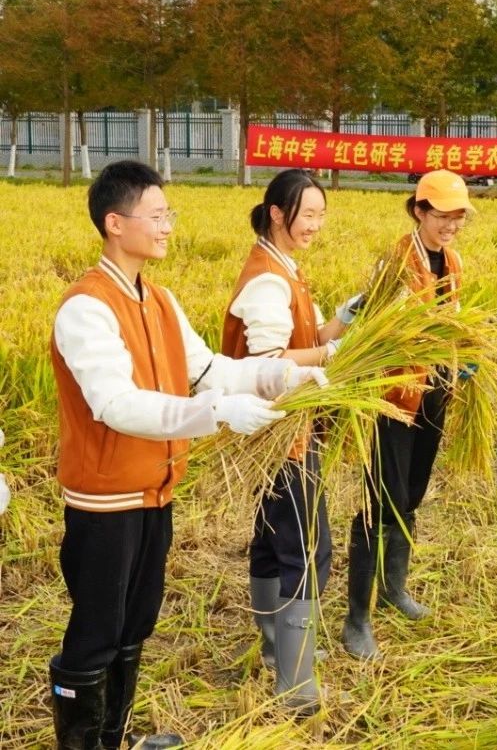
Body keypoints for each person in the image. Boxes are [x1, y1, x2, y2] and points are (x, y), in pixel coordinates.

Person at [49, 160, 318, 749]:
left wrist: (287, 377)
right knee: (96, 633)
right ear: (115, 223)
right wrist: (215, 414)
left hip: (155, 489)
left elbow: (209, 370)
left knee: (134, 626)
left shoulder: (160, 301)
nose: (169, 226)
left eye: (170, 214)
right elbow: (115, 404)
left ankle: (112, 739)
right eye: (158, 214)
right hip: (104, 500)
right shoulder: (87, 308)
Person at [222, 169, 358, 715]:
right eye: (308, 215)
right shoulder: (267, 281)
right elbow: (268, 360)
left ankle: (279, 650)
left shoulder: (284, 270)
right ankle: (297, 685)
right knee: (307, 547)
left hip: (282, 430)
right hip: (282, 436)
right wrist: (328, 358)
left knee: (273, 540)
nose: (316, 225)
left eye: (322, 215)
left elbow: (308, 339)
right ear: (277, 213)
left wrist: (346, 320)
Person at [342, 170, 472, 661]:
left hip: (434, 394)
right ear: (418, 211)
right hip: (394, 398)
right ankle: (357, 618)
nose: (451, 225)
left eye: (458, 216)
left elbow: (452, 322)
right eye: (442, 215)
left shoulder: (452, 261)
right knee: (381, 501)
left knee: (411, 495)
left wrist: (463, 354)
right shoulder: (395, 263)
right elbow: (374, 331)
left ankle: (395, 588)